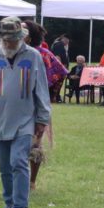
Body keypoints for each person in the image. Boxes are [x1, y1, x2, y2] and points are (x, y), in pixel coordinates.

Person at [0, 17, 51, 208]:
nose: (10, 43)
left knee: (18, 161)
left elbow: (42, 89)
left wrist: (42, 119)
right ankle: (9, 203)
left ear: (21, 37)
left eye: (13, 39)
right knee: (5, 167)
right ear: (1, 38)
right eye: (6, 39)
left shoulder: (33, 56)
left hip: (25, 120)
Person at [22, 20, 67, 191]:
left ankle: (31, 182)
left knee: (35, 144)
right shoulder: (13, 53)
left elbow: (61, 72)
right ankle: (23, 179)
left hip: (37, 105)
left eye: (24, 29)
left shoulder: (43, 54)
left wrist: (50, 95)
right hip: (18, 105)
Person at [51, 34, 70, 102]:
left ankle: (56, 97)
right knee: (57, 83)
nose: (68, 43)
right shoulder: (59, 45)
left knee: (57, 84)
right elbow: (58, 57)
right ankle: (55, 97)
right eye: (67, 41)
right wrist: (63, 69)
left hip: (58, 68)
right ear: (64, 39)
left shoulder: (58, 44)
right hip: (59, 69)